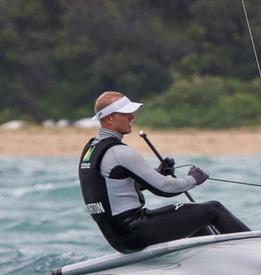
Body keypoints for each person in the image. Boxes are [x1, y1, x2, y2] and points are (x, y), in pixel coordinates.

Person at [79, 91, 249, 253]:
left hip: (117, 237)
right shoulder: (119, 152)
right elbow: (165, 188)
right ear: (109, 118)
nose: (132, 117)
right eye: (126, 114)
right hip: (133, 231)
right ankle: (255, 250)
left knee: (195, 222)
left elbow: (116, 188)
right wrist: (193, 179)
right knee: (213, 210)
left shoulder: (91, 150)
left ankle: (217, 265)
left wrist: (159, 172)